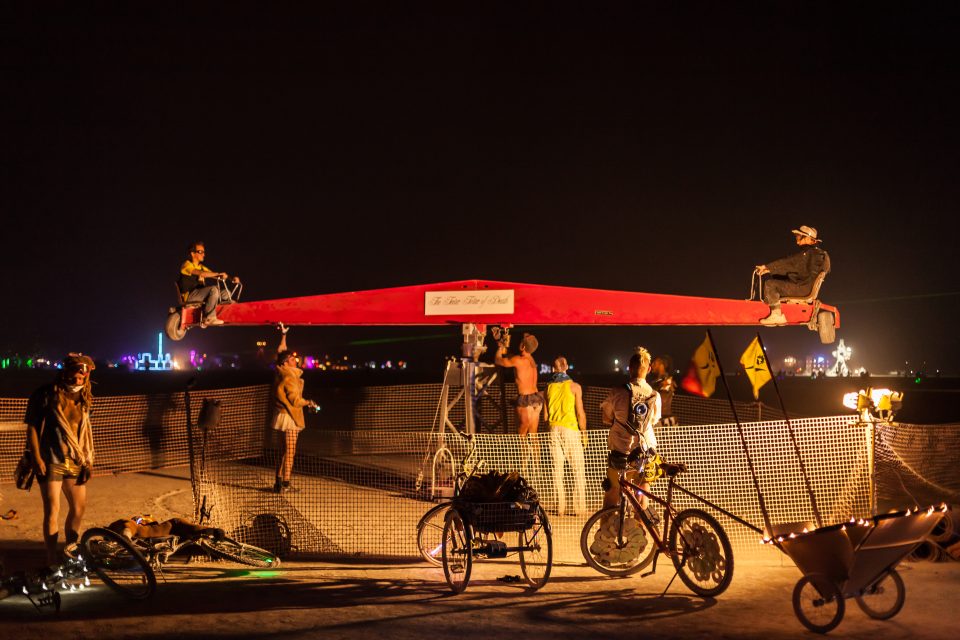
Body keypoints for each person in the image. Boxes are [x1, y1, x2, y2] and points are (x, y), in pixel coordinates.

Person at [24, 354, 96, 564]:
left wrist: (88, 462)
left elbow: (85, 433)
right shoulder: (46, 394)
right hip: (51, 458)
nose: (77, 382)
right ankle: (51, 558)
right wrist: (36, 457)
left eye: (82, 379)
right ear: (65, 374)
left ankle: (70, 552)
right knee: (52, 509)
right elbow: (33, 427)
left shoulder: (84, 397)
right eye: (74, 378)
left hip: (75, 460)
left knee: (79, 508)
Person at [600, 347, 661, 512]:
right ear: (648, 369)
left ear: (629, 368)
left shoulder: (617, 392)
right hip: (645, 451)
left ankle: (606, 533)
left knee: (612, 490)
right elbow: (654, 420)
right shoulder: (655, 395)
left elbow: (606, 418)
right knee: (642, 489)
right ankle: (639, 530)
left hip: (620, 451)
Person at [271, 324, 318, 493]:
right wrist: (309, 402)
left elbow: (281, 352)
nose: (294, 359)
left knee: (284, 451)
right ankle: (285, 484)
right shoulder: (290, 376)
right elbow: (295, 400)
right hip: (290, 417)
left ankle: (278, 482)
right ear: (286, 363)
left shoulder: (280, 371)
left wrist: (283, 335)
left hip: (282, 415)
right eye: (291, 358)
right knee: (290, 451)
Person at [755, 225, 830, 326]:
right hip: (806, 285)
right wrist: (770, 270)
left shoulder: (808, 254)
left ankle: (776, 314)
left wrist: (767, 267)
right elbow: (795, 268)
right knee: (777, 278)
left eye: (799, 237)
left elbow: (789, 262)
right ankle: (777, 311)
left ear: (807, 238)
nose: (797, 240)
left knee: (770, 284)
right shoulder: (819, 254)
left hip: (803, 288)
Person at [543, 356, 587, 516]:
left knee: (557, 471)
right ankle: (579, 508)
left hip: (553, 430)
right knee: (578, 470)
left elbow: (545, 417)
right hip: (570, 429)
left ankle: (559, 507)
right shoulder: (575, 387)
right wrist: (584, 433)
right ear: (566, 366)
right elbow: (580, 412)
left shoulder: (547, 388)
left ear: (554, 369)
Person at [495, 331, 542, 478]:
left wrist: (500, 347)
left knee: (522, 436)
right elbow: (516, 357)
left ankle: (524, 470)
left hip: (525, 402)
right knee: (534, 436)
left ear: (522, 346)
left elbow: (499, 361)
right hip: (536, 400)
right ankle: (537, 470)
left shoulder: (518, 360)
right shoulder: (531, 360)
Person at [177, 241, 241, 327]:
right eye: (200, 252)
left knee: (226, 293)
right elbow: (200, 273)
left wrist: (231, 279)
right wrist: (216, 274)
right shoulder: (187, 265)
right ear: (192, 253)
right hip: (190, 296)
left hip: (200, 295)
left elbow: (214, 275)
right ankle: (208, 318)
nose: (203, 254)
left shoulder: (202, 267)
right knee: (213, 289)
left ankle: (225, 311)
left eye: (204, 252)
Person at [647, 355, 678, 426]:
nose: (652, 365)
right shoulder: (659, 382)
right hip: (661, 420)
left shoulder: (666, 382)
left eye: (655, 363)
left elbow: (662, 400)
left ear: (662, 365)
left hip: (664, 421)